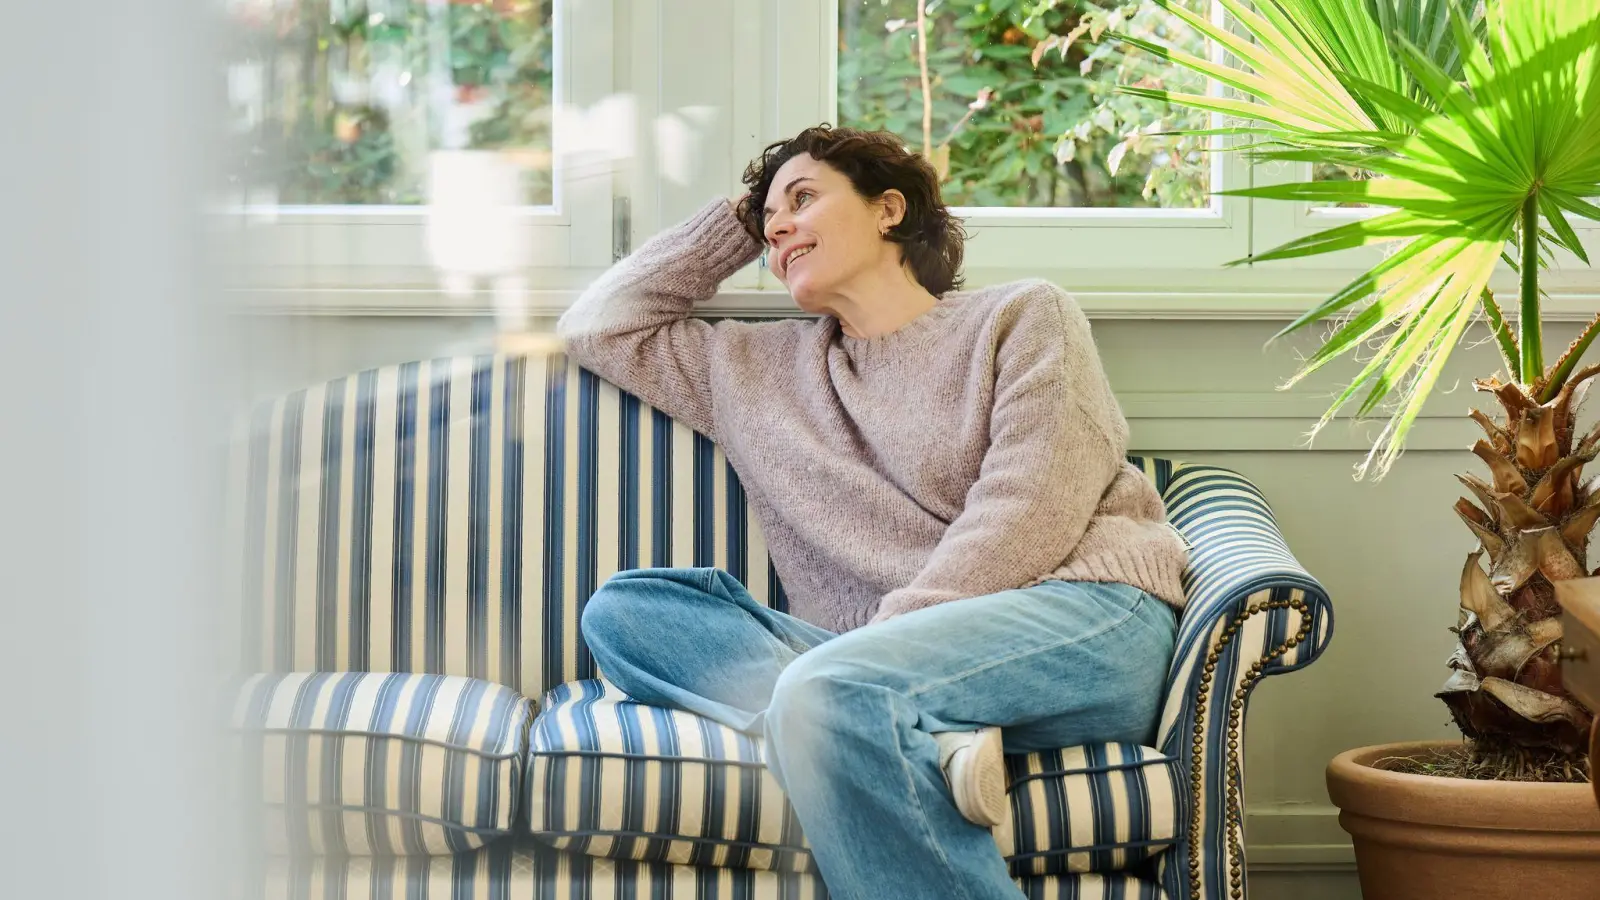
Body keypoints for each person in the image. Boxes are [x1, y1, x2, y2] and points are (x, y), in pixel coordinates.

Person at [555, 125, 1187, 899]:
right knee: (628, 611)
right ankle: (928, 733)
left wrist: (888, 644)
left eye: (804, 198)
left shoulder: (1023, 315)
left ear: (889, 209)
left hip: (1075, 617)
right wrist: (742, 215)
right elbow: (599, 325)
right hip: (876, 662)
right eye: (768, 221)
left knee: (827, 695)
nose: (778, 227)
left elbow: (1033, 502)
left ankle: (870, 709)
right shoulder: (750, 368)